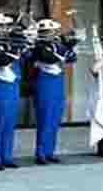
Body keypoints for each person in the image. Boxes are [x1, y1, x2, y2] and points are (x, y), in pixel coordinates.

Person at [30, 19, 78, 164]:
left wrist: (66, 47)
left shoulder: (56, 44)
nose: (52, 34)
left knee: (55, 118)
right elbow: (49, 58)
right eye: (48, 32)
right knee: (45, 117)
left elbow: (72, 58)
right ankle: (40, 152)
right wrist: (65, 49)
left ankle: (50, 151)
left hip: (57, 81)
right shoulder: (38, 46)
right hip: (45, 81)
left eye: (53, 31)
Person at [0, 14, 25, 170]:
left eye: (7, 26)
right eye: (2, 26)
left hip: (13, 84)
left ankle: (6, 156)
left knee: (9, 123)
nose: (5, 29)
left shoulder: (14, 42)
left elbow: (26, 56)